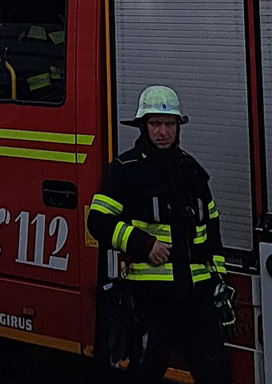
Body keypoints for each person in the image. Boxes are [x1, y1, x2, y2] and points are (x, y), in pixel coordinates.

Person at [87, 85, 230, 384]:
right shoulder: (124, 171)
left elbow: (212, 226)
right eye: (155, 124)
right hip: (151, 301)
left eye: (169, 124)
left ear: (178, 127)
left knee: (215, 373)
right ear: (143, 126)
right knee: (144, 374)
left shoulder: (192, 171)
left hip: (197, 299)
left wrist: (218, 279)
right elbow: (98, 221)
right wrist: (143, 244)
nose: (163, 131)